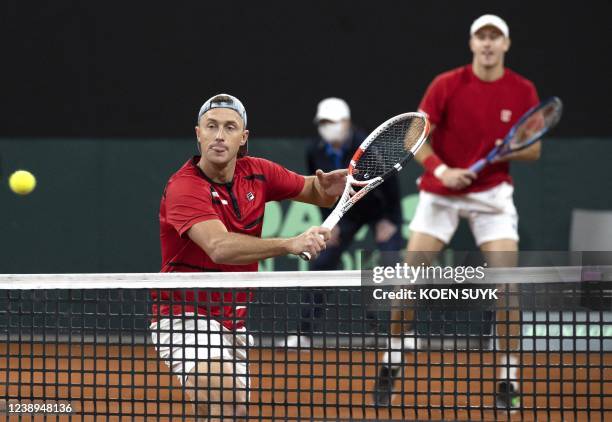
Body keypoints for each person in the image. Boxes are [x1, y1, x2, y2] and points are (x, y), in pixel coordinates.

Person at [373, 15, 541, 410]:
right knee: (406, 282)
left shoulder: (522, 90)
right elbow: (416, 134)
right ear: (471, 44)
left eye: (494, 37)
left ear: (505, 44)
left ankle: (507, 377)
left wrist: (505, 149)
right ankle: (392, 362)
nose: (487, 44)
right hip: (441, 193)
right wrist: (444, 170)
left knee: (508, 288)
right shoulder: (446, 84)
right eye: (481, 37)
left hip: (492, 196)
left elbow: (534, 148)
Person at [149, 93, 347, 421]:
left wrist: (327, 187)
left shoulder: (257, 172)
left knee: (223, 409)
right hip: (184, 318)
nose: (219, 135)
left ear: (243, 138)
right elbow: (219, 246)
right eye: (211, 127)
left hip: (232, 321)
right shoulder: (184, 187)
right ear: (198, 133)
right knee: (228, 402)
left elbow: (312, 190)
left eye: (229, 127)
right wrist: (289, 244)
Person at [278, 97, 404, 348]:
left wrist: (390, 221)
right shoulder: (314, 149)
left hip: (379, 209)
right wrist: (329, 223)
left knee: (392, 266)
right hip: (346, 213)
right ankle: (303, 333)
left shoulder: (368, 146)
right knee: (321, 263)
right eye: (323, 122)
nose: (327, 127)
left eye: (332, 122)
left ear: (346, 123)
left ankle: (400, 335)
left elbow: (390, 186)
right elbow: (317, 189)